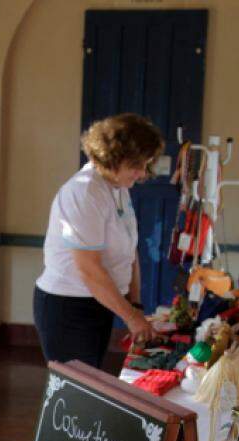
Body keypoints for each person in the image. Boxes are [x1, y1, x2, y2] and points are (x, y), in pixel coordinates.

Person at [33, 112, 166, 369]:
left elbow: (130, 248)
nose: (141, 174)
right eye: (136, 165)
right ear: (112, 159)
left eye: (145, 165)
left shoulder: (118, 188)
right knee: (74, 391)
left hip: (97, 302)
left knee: (90, 381)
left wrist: (134, 304)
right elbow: (89, 269)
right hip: (68, 308)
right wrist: (132, 317)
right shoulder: (84, 192)